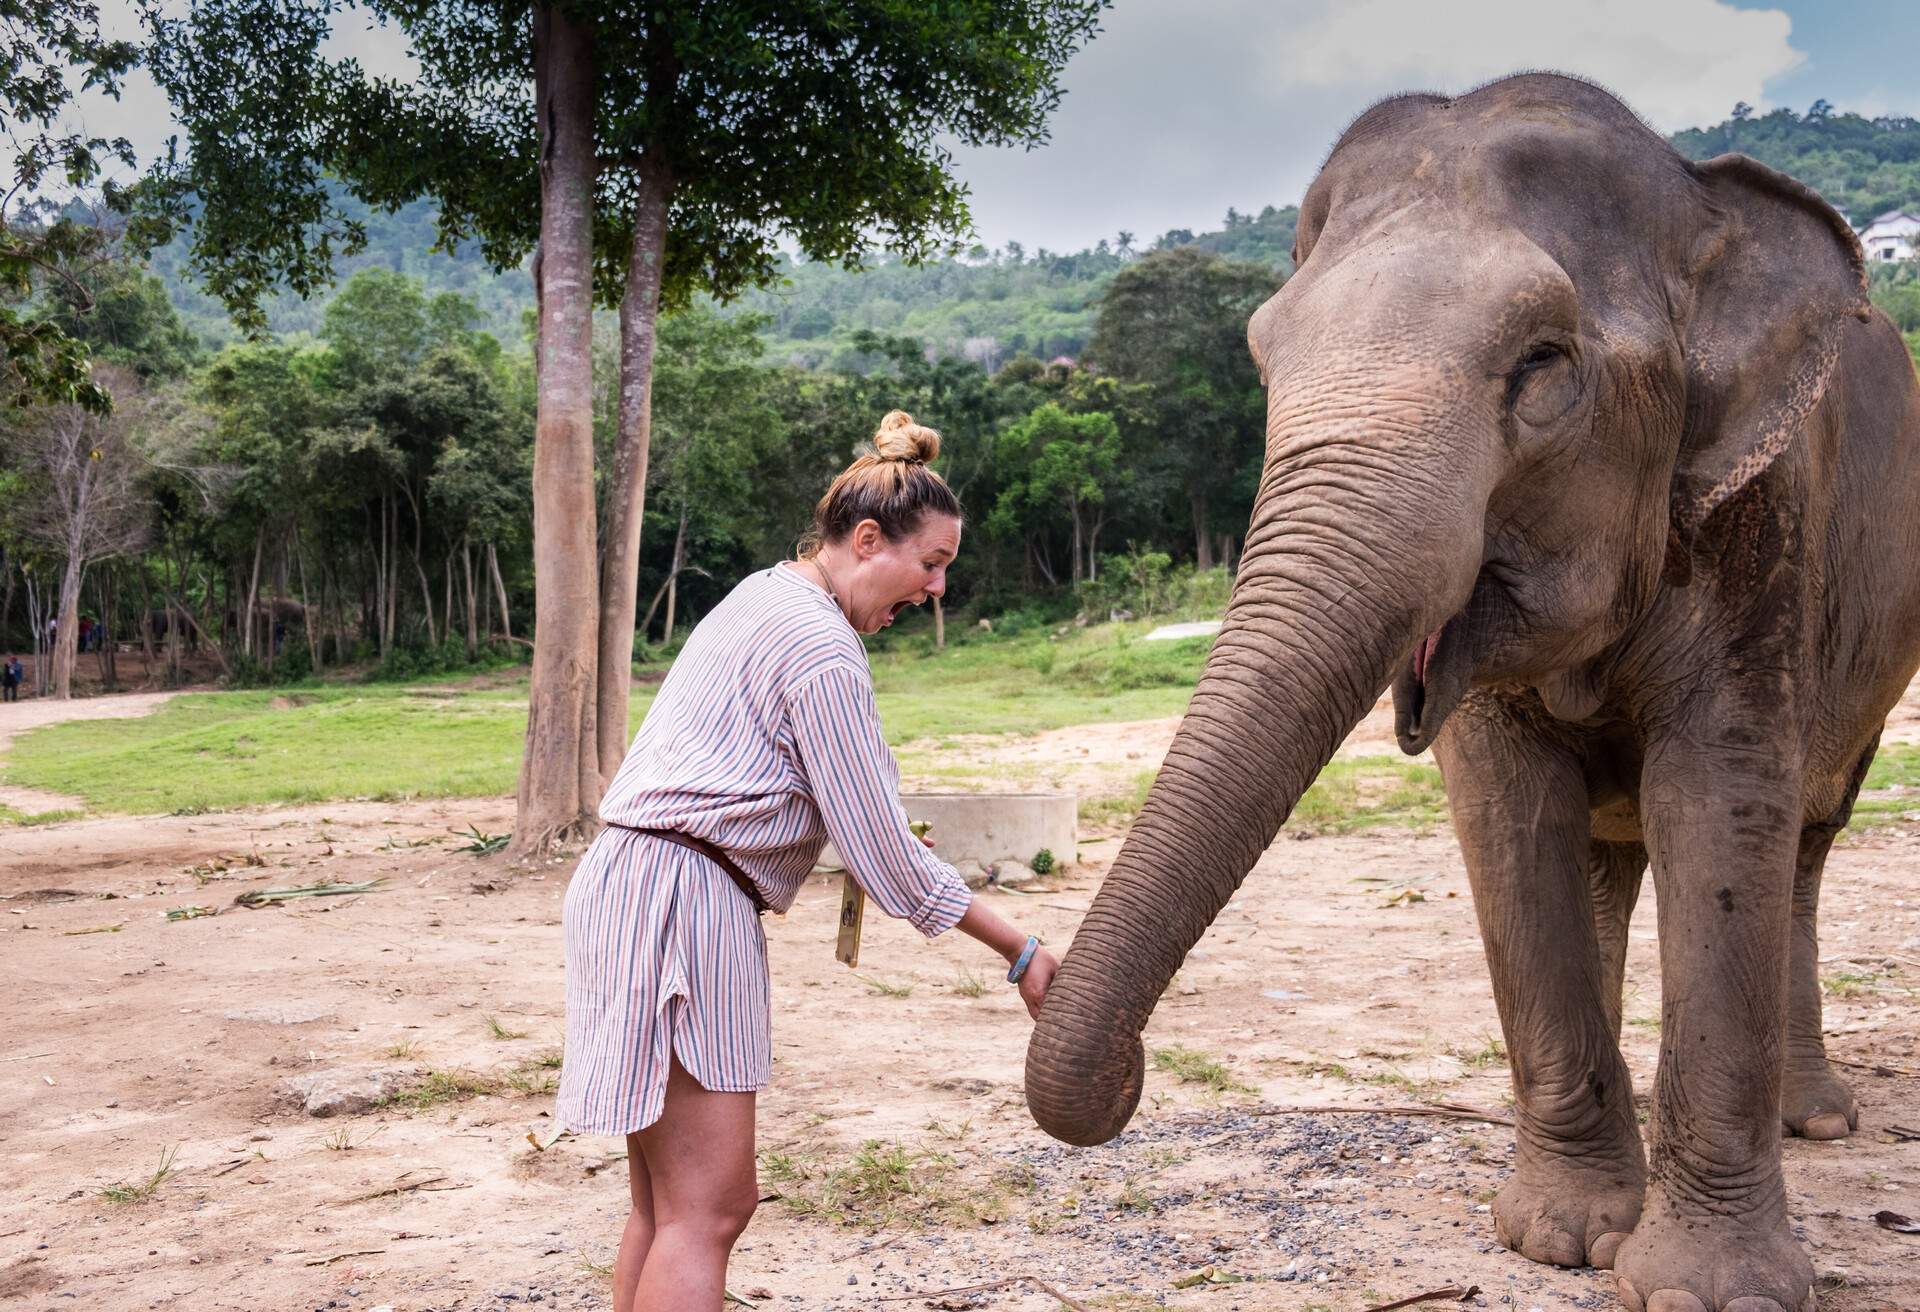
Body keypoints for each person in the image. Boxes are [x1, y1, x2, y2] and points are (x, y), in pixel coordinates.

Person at [557, 411, 1058, 1312]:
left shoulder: (764, 596)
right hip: (683, 901)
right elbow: (886, 856)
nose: (938, 587)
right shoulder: (823, 646)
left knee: (665, 1204)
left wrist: (865, 835)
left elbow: (801, 793)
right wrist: (1021, 952)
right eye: (932, 563)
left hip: (631, 883)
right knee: (710, 1208)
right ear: (868, 540)